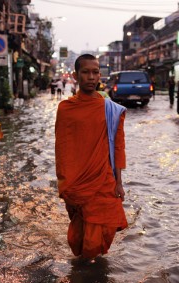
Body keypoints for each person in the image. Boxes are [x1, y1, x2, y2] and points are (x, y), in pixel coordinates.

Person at [55, 53, 128, 261]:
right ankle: (84, 271)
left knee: (102, 232)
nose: (91, 77)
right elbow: (62, 148)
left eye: (95, 72)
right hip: (76, 181)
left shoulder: (111, 110)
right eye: (85, 72)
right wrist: (65, 182)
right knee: (82, 234)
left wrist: (119, 183)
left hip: (103, 179)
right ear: (76, 75)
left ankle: (87, 268)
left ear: (99, 76)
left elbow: (118, 147)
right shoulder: (66, 109)